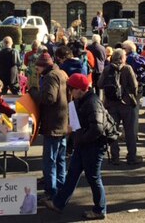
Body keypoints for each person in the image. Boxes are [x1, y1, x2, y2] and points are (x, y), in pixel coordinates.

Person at [44, 73, 107, 220]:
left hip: (93, 146)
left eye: (71, 89)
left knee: (94, 178)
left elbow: (97, 128)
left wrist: (82, 139)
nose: (70, 93)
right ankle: (58, 204)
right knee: (72, 174)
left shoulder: (92, 102)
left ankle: (100, 209)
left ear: (80, 89)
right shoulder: (82, 100)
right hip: (84, 144)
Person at [29, 52, 68, 200]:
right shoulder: (60, 73)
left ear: (43, 66)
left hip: (53, 124)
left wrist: (33, 92)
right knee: (60, 159)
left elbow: (48, 98)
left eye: (37, 67)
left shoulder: (50, 77)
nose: (36, 70)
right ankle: (61, 188)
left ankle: (51, 192)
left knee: (50, 161)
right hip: (62, 121)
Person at [97, 48, 140, 165]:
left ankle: (115, 157)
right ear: (122, 58)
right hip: (126, 104)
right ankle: (131, 157)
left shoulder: (107, 69)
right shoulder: (128, 68)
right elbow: (135, 86)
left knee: (113, 131)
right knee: (129, 131)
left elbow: (100, 84)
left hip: (111, 104)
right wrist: (132, 96)